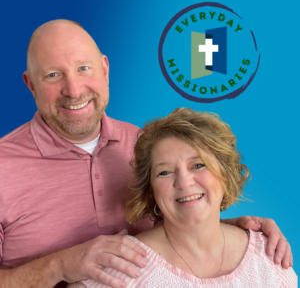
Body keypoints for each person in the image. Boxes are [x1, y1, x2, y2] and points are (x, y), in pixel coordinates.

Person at [0, 20, 293, 288]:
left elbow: (175, 216)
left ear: (104, 69)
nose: (74, 89)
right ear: (30, 84)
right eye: (53, 75)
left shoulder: (145, 145)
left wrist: (235, 231)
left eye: (83, 68)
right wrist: (59, 265)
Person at [69, 108, 297, 288]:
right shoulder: (118, 268)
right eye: (165, 172)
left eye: (198, 165)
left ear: (225, 174)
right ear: (150, 190)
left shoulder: (270, 255)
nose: (184, 183)